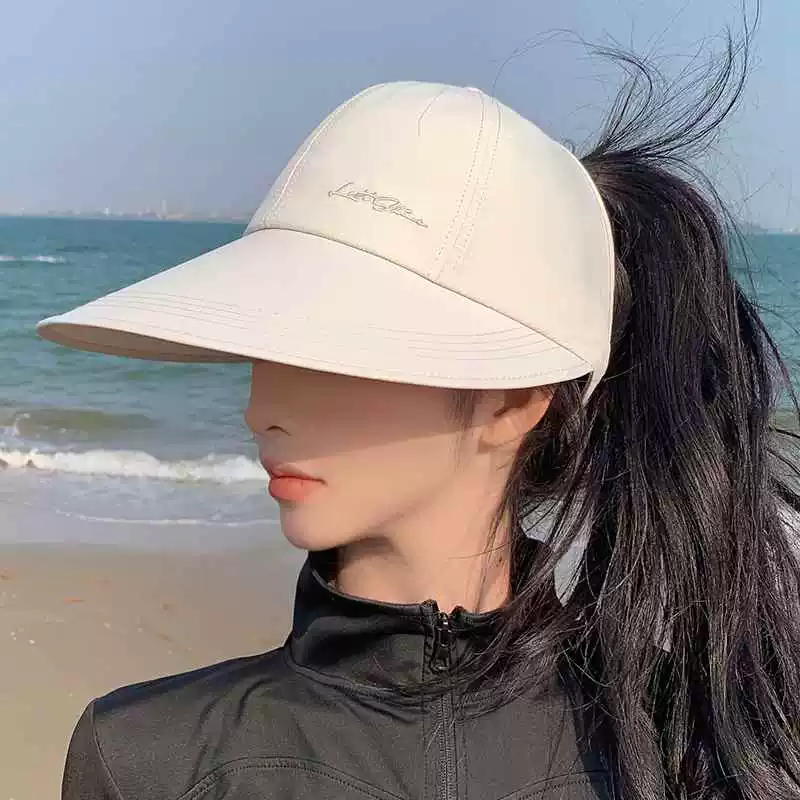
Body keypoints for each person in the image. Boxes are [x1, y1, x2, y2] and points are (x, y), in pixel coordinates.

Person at [38, 28, 800, 800]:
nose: (261, 410)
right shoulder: (145, 760)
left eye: (326, 351)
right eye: (263, 349)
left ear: (514, 400)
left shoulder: (694, 750)